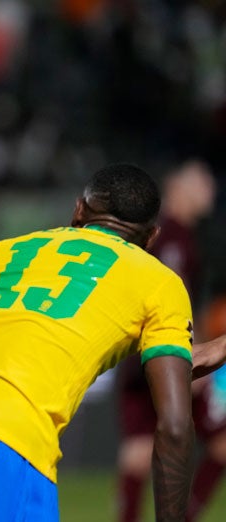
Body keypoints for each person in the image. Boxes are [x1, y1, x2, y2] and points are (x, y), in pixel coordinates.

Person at [0, 163, 196, 521]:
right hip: (5, 440)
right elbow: (173, 425)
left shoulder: (2, 252)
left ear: (79, 210)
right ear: (152, 237)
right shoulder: (160, 282)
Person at [115, 159, 225, 522]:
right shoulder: (175, 237)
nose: (211, 192)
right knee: (219, 441)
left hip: (139, 353)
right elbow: (172, 298)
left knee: (138, 447)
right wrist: (187, 353)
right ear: (181, 188)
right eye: (204, 184)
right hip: (169, 352)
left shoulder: (165, 233)